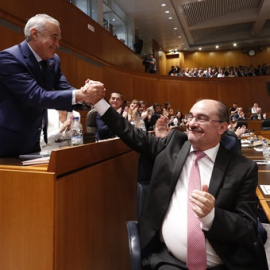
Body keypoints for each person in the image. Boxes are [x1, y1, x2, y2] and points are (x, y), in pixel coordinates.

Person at [93, 97, 268, 270]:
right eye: (190, 116)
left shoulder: (243, 168)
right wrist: (99, 102)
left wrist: (212, 216)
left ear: (222, 127)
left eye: (201, 118)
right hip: (171, 261)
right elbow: (129, 132)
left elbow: (249, 229)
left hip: (224, 263)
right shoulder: (171, 146)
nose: (191, 123)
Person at [0, 14, 105, 157]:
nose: (57, 44)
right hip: (6, 141)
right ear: (35, 34)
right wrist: (82, 94)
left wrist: (87, 94)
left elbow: (65, 88)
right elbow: (36, 96)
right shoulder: (9, 58)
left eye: (58, 39)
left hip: (33, 140)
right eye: (54, 37)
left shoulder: (53, 60)